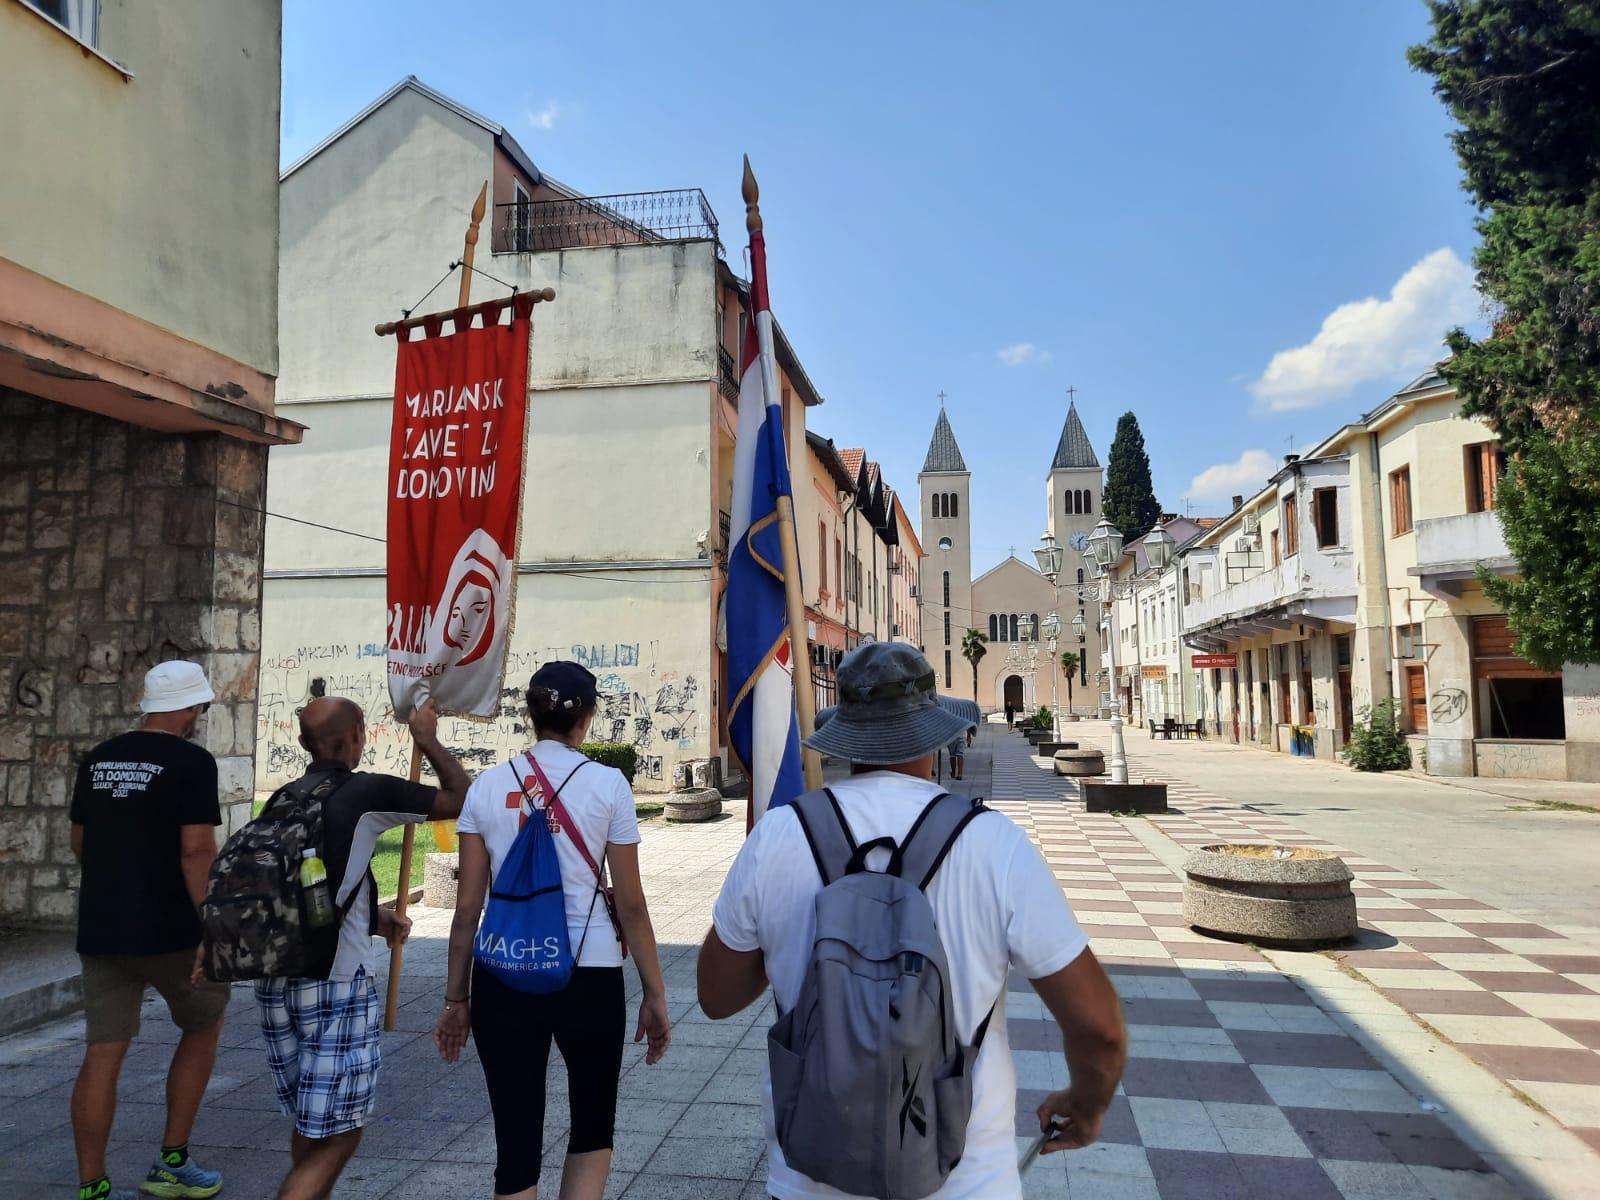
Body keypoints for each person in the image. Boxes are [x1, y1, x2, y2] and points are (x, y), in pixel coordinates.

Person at [698, 642, 1127, 1200]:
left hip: (807, 1177)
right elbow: (1099, 1027)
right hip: (967, 1179)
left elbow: (716, 996)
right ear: (931, 733)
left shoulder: (780, 834)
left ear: (845, 734)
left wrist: (786, 931)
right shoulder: (993, 844)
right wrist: (1087, 1107)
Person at [435, 661, 672, 1200]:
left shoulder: (486, 788)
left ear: (530, 715)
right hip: (590, 973)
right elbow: (631, 905)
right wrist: (655, 993)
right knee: (592, 1123)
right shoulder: (609, 785)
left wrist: (456, 999)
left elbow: (466, 910)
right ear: (587, 718)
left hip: (503, 972)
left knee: (515, 1140)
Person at [257, 696, 468, 1200]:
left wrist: (374, 918)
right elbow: (462, 798)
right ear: (358, 735)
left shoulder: (283, 798)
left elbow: (304, 890)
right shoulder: (367, 792)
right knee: (342, 1130)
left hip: (275, 981)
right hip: (335, 983)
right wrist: (426, 739)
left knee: (312, 1122)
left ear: (304, 743)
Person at [70, 661, 231, 1200]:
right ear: (192, 707)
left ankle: (92, 1186)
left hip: (103, 927)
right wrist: (212, 925)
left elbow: (79, 841)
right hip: (173, 930)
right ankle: (172, 1162)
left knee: (103, 1052)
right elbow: (197, 850)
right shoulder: (192, 761)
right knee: (203, 1026)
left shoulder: (98, 758)